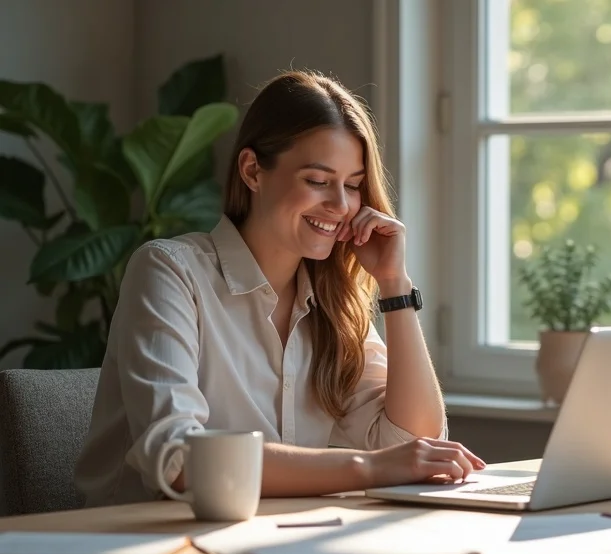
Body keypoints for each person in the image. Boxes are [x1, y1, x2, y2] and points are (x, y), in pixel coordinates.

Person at [74, 70, 485, 507]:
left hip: (275, 535)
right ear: (252, 170)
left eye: (352, 185)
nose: (341, 205)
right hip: (141, 536)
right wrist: (367, 467)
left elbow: (414, 442)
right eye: (318, 181)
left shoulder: (333, 302)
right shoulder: (169, 271)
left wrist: (394, 284)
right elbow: (179, 460)